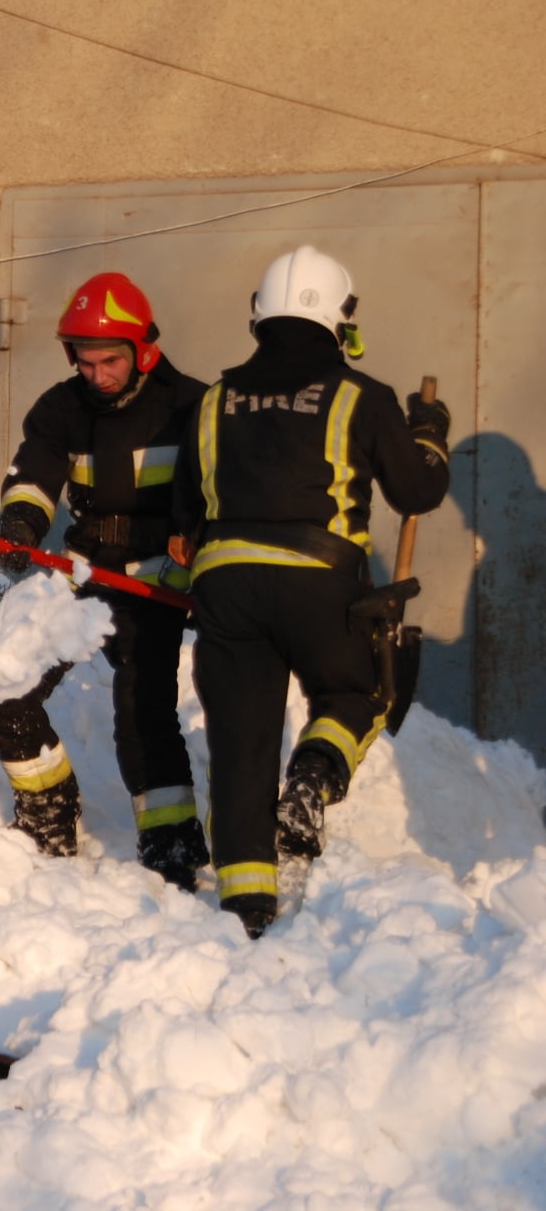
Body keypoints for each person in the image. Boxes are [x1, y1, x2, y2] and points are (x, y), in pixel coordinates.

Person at [171, 246, 449, 938]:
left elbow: (184, 515)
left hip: (226, 587)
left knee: (241, 743)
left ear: (259, 317)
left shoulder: (212, 401)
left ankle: (244, 907)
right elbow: (416, 490)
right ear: (340, 321)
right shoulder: (361, 395)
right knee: (358, 693)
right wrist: (428, 438)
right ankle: (315, 775)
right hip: (319, 583)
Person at [0, 272, 210, 889]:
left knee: (143, 713)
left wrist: (196, 546)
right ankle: (50, 817)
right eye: (86, 362)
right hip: (81, 570)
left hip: (156, 575)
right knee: (1, 676)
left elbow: (214, 492)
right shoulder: (60, 407)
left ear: (144, 351)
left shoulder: (192, 407)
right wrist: (22, 523)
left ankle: (172, 849)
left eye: (111, 361)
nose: (98, 375)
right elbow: (33, 474)